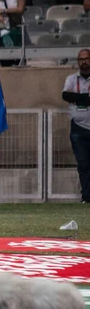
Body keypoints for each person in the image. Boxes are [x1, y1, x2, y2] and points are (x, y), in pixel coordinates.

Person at [62, 48, 90, 204]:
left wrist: (77, 98)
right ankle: (86, 197)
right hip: (78, 128)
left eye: (86, 59)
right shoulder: (71, 79)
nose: (83, 62)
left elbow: (72, 97)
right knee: (83, 164)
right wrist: (85, 98)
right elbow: (66, 95)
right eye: (80, 59)